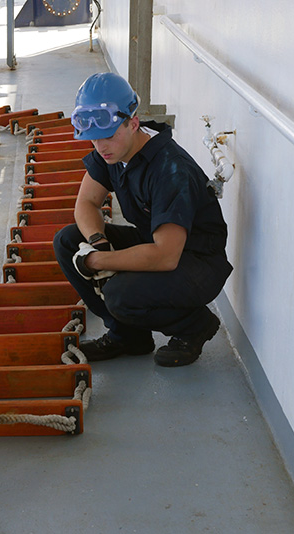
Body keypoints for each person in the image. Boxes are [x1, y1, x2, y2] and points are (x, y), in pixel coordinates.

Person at [54, 73, 233, 367]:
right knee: (68, 241)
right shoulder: (112, 149)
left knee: (119, 294)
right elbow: (86, 203)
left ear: (133, 123)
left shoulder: (170, 170)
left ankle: (194, 326)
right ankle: (128, 336)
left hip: (196, 263)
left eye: (109, 136)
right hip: (157, 243)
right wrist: (97, 244)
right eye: (94, 139)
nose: (100, 146)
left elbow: (165, 256)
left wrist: (97, 261)